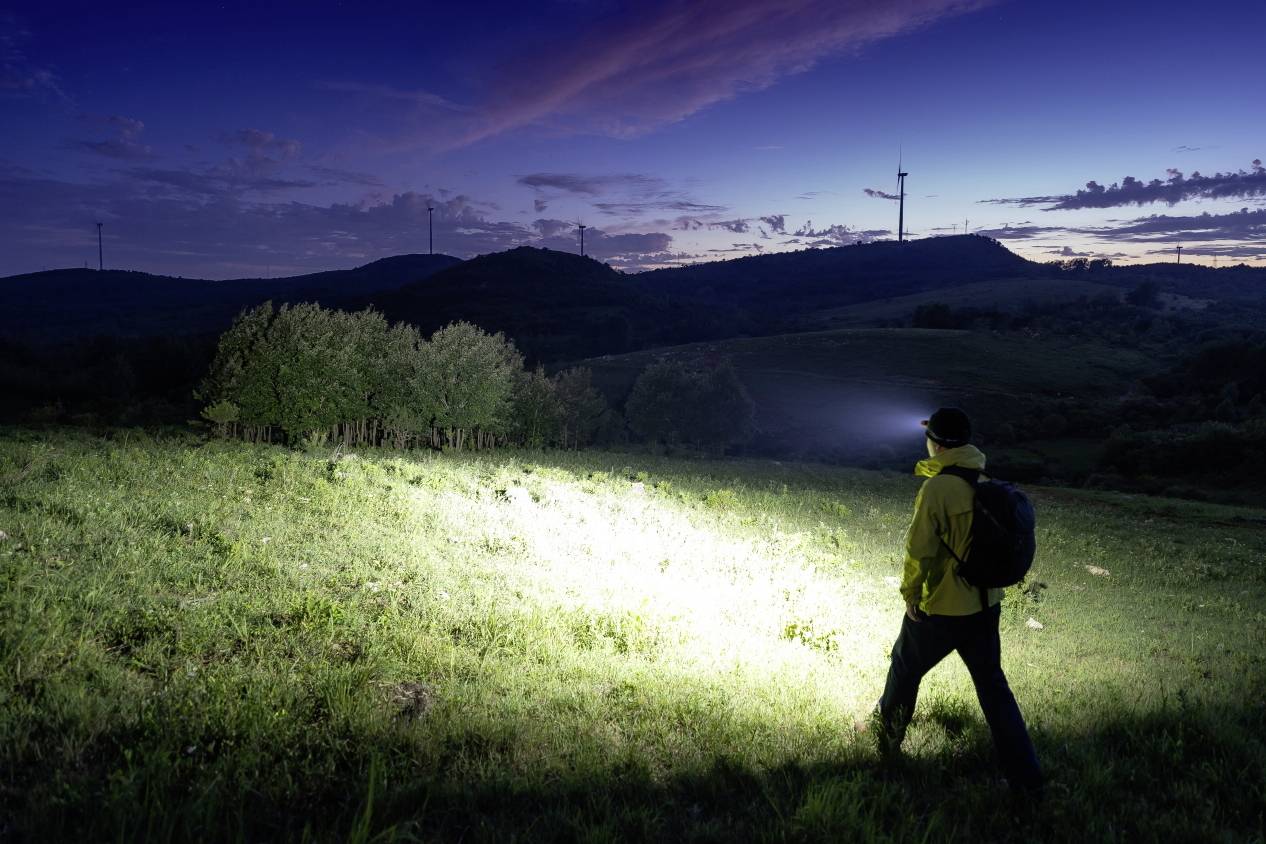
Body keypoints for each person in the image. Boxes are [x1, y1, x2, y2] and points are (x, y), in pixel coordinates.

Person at [869, 406, 1043, 796]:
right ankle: (1027, 778)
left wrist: (911, 594)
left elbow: (919, 550)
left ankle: (885, 745)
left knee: (904, 668)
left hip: (942, 608)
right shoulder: (984, 478)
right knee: (994, 688)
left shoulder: (937, 489)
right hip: (985, 604)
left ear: (936, 444)